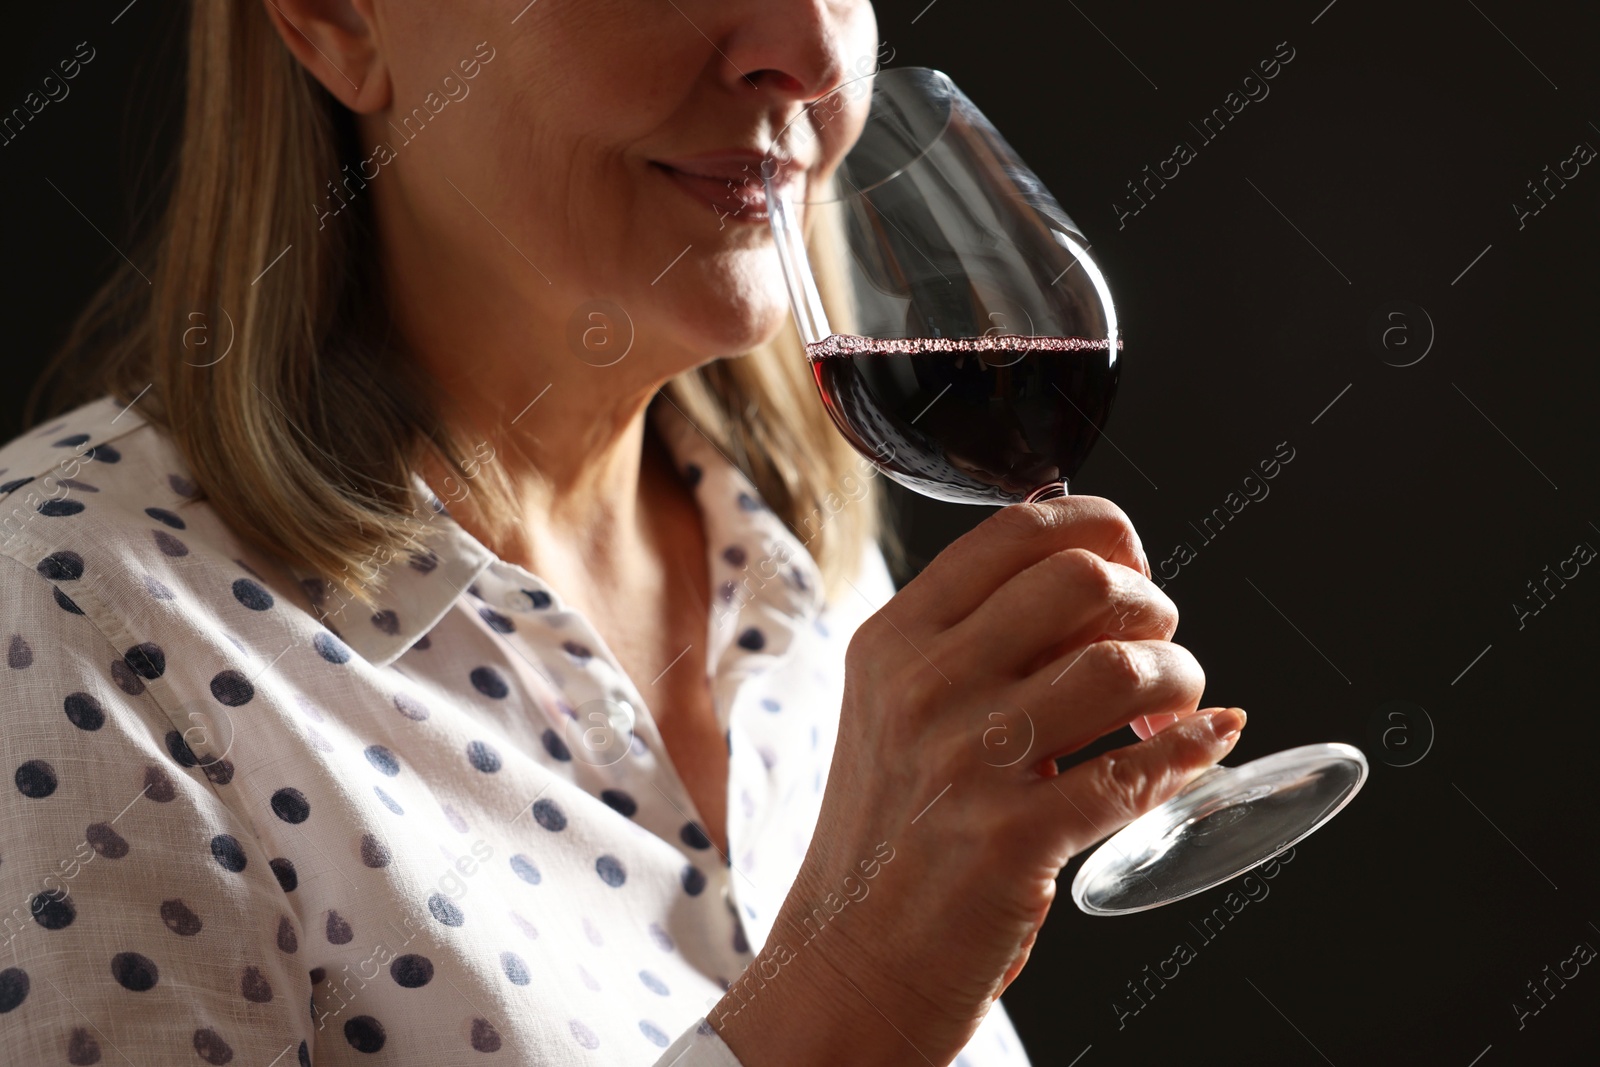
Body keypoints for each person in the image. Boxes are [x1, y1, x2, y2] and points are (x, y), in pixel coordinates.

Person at [0, 2, 1245, 1064]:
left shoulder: (814, 578)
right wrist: (858, 993)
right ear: (337, 17)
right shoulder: (64, 624)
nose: (811, 46)